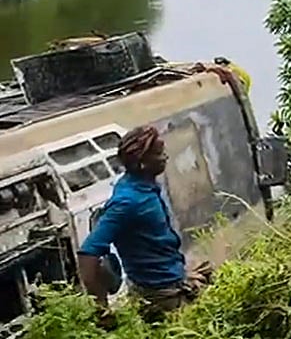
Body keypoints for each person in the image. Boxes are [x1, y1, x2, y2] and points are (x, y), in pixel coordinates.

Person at [78, 125, 213, 322]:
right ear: (142, 163)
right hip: (161, 299)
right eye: (159, 154)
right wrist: (101, 310)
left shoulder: (143, 187)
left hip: (173, 279)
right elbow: (88, 253)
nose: (165, 157)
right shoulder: (128, 202)